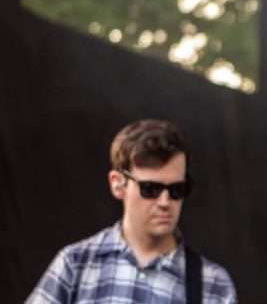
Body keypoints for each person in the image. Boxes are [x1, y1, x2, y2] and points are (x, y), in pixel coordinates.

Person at [27, 119, 237, 303]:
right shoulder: (75, 264)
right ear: (118, 184)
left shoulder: (213, 285)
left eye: (177, 190)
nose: (165, 202)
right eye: (150, 189)